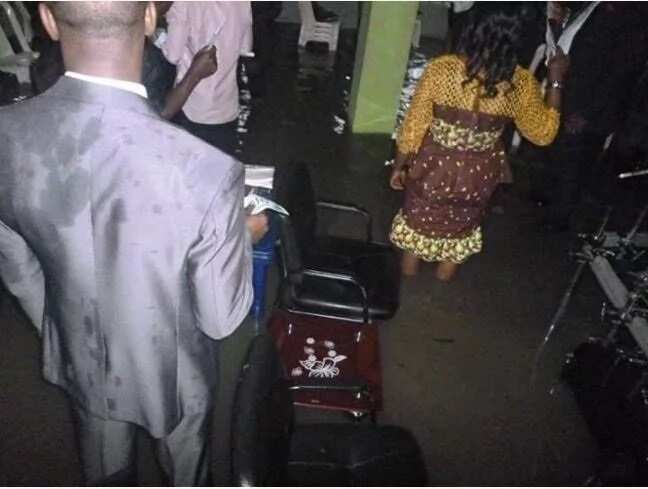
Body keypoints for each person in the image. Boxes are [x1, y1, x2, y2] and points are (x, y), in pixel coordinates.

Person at [0, 2, 267, 485]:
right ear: (148, 18)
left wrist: (68, 329)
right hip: (175, 372)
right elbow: (221, 316)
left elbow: (19, 271)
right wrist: (242, 240)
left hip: (80, 358)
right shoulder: (207, 171)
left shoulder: (6, 139)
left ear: (47, 19)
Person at [389, 3, 569, 281]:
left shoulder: (442, 70)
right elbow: (543, 134)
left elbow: (413, 126)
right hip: (479, 176)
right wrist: (556, 81)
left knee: (416, 229)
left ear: (473, 28)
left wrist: (399, 168)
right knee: (459, 235)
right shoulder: (521, 84)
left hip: (433, 168)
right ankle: (441, 295)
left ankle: (408, 300)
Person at [161, 1, 253, 155]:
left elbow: (172, 55)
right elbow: (245, 47)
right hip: (227, 107)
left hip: (191, 107)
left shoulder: (183, 3)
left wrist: (157, 34)